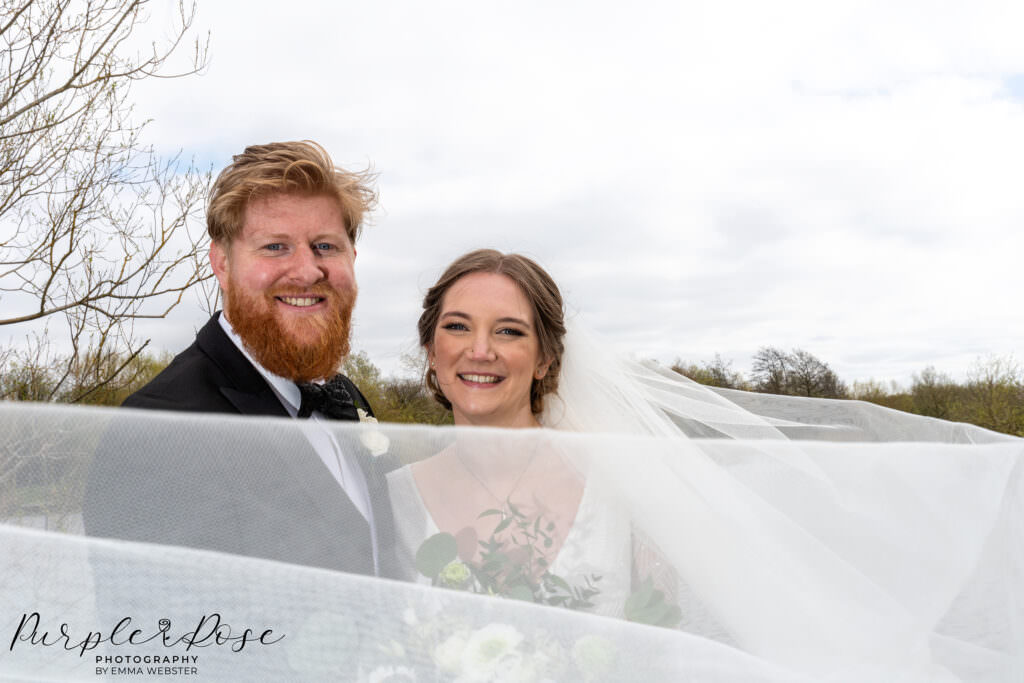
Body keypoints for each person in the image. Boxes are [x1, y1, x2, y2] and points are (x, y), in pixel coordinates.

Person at [84, 141, 394, 577]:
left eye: (325, 246)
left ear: (353, 259)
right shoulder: (160, 432)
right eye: (274, 247)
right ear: (222, 263)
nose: (307, 271)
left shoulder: (344, 395)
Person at [387, 249, 669, 618]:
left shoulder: (620, 484)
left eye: (508, 331)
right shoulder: (392, 498)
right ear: (432, 352)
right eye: (458, 326)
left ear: (544, 359)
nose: (481, 351)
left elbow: (669, 646)